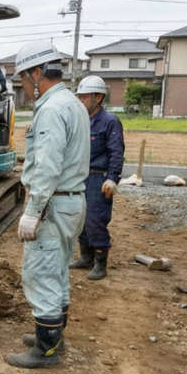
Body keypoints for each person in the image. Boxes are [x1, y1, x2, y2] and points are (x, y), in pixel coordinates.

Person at [8, 41, 90, 369]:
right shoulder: (72, 104)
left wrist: (32, 212)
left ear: (37, 73)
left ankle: (46, 349)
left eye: (25, 82)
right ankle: (53, 333)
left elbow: (47, 166)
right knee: (57, 270)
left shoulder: (52, 110)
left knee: (41, 272)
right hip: (72, 202)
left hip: (53, 204)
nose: (25, 89)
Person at [70, 75, 125, 280]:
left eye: (84, 97)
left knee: (95, 220)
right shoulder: (81, 120)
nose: (81, 100)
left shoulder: (109, 122)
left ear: (98, 97)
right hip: (79, 176)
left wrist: (112, 178)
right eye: (80, 96)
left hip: (97, 178)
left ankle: (101, 264)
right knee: (80, 219)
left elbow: (116, 152)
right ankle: (86, 257)